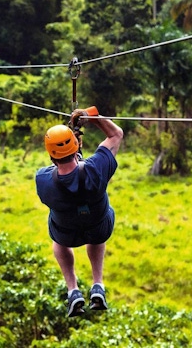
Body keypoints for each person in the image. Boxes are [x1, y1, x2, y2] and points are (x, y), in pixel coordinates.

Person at [35, 108, 124, 317]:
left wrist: (72, 148)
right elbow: (116, 134)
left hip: (67, 233)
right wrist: (93, 116)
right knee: (97, 228)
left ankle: (73, 289)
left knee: (58, 240)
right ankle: (98, 284)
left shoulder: (43, 180)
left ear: (51, 155)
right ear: (77, 148)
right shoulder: (96, 169)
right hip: (99, 227)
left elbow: (63, 171)